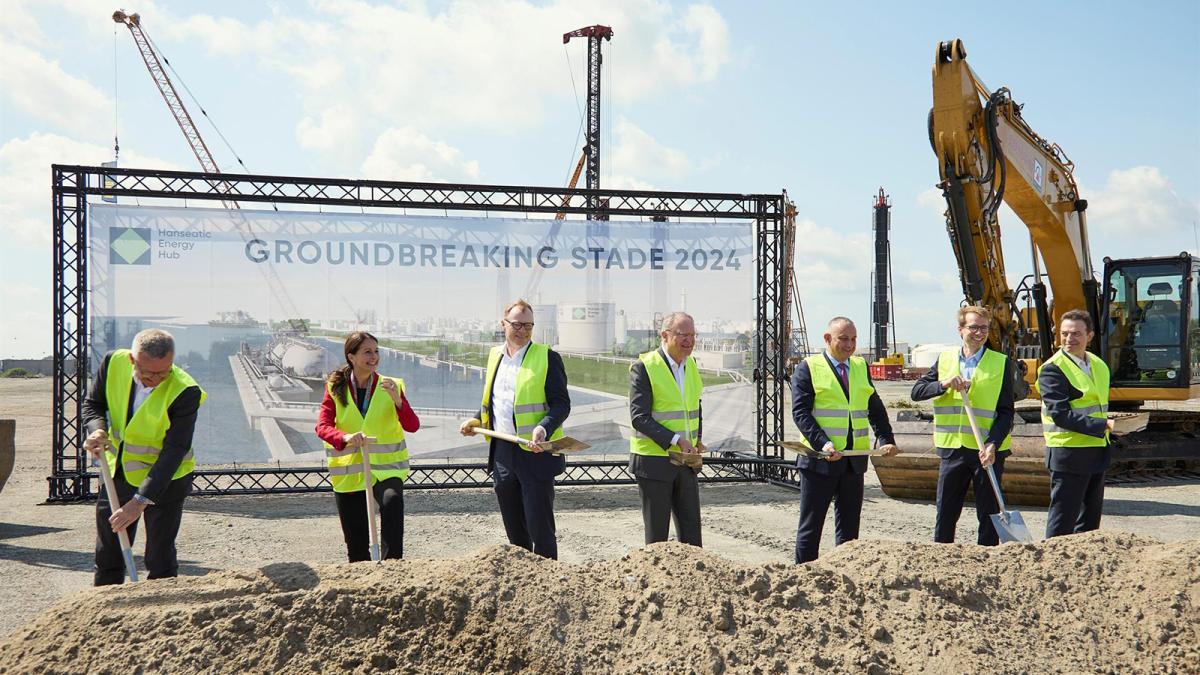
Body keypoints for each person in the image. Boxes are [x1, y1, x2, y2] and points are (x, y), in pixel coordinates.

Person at [82, 328, 205, 585]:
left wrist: (139, 502)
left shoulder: (186, 390)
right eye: (149, 373)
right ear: (132, 360)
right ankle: (105, 608)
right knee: (109, 552)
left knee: (160, 555)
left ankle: (160, 611)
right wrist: (97, 430)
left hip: (167, 480)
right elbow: (93, 404)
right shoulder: (113, 362)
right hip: (119, 474)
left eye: (164, 371)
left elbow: (175, 449)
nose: (157, 379)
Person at [460, 300, 570, 559]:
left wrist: (544, 427)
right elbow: (495, 402)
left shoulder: (547, 357)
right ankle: (521, 581)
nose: (522, 330)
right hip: (503, 453)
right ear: (503, 324)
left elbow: (561, 404)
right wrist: (476, 421)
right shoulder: (494, 355)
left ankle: (547, 581)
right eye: (517, 324)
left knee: (540, 528)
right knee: (514, 528)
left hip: (535, 453)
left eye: (528, 325)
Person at [791, 317, 898, 563]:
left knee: (850, 531)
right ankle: (805, 577)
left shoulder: (860, 367)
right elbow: (801, 413)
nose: (849, 345)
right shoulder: (808, 367)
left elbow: (875, 408)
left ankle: (845, 575)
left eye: (853, 339)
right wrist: (823, 443)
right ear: (827, 339)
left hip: (853, 463)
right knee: (811, 526)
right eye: (843, 339)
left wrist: (885, 438)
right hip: (819, 461)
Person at [910, 305, 1016, 545]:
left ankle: (987, 562)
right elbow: (917, 392)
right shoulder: (946, 359)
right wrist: (944, 384)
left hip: (986, 452)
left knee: (989, 514)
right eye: (973, 327)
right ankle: (941, 560)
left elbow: (1006, 412)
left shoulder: (1000, 363)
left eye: (984, 328)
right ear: (960, 330)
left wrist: (993, 444)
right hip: (952, 449)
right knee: (946, 512)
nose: (979, 333)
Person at [316, 331, 419, 561]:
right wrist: (344, 437)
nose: (374, 357)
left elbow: (412, 425)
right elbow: (322, 426)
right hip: (350, 470)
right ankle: (360, 582)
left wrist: (398, 401)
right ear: (351, 357)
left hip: (386, 469)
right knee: (356, 543)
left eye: (376, 351)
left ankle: (393, 567)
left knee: (393, 502)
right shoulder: (335, 387)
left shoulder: (392, 386)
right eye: (367, 352)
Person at [628, 311, 704, 547]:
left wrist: (697, 439)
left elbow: (694, 406)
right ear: (665, 335)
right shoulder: (644, 367)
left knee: (692, 536)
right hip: (653, 463)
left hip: (686, 460)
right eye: (683, 335)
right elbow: (639, 417)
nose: (689, 341)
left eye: (693, 335)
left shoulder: (690, 364)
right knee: (657, 539)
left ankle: (694, 581)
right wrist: (676, 440)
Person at [1038, 309, 1115, 539]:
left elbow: (1098, 405)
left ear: (1089, 335)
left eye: (1076, 334)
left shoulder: (1099, 366)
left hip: (1096, 450)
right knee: (1062, 524)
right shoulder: (1052, 369)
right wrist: (1103, 426)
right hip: (1068, 454)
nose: (1069, 339)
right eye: (1064, 334)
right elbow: (1059, 414)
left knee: (1090, 525)